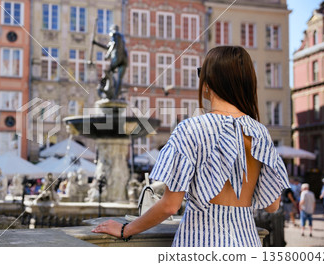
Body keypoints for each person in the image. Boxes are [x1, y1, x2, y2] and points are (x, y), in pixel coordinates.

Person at [92, 46, 291, 246]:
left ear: (208, 83)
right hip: (247, 242)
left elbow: (170, 206)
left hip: (201, 242)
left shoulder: (191, 128)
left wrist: (126, 229)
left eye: (200, 73)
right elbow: (272, 205)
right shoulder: (259, 132)